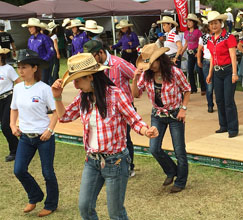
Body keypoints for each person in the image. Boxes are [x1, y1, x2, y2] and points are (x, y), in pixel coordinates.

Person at [52, 53, 158, 219]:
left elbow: (134, 119)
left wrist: (146, 131)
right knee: (85, 207)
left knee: (116, 213)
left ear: (91, 77)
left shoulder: (115, 94)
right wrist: (57, 97)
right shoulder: (83, 98)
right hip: (92, 161)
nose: (75, 84)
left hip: (115, 161)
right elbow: (64, 117)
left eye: (78, 79)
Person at [132, 43, 191, 193]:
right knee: (154, 148)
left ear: (160, 59)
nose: (151, 66)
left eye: (153, 63)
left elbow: (187, 89)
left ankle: (181, 181)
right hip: (157, 115)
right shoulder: (146, 75)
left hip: (175, 114)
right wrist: (135, 78)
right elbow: (136, 94)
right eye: (148, 64)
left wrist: (183, 109)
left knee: (179, 150)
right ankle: (171, 171)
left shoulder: (174, 72)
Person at [10, 49, 58, 217]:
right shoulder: (17, 88)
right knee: (19, 170)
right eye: (19, 67)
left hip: (44, 137)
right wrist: (12, 125)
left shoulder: (44, 89)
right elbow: (13, 109)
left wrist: (49, 130)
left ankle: (51, 204)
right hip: (25, 137)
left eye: (24, 67)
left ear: (35, 68)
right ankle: (35, 195)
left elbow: (56, 111)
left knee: (47, 173)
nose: (20, 71)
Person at [83, 40, 138, 176]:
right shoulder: (93, 67)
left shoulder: (118, 64)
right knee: (109, 136)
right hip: (103, 106)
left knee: (124, 137)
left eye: (92, 57)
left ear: (100, 52)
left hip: (123, 106)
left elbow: (136, 74)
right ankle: (107, 165)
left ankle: (128, 166)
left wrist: (134, 90)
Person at [206, 11, 239, 138]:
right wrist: (209, 74)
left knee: (228, 100)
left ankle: (233, 128)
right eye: (211, 24)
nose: (213, 26)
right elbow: (212, 59)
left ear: (221, 23)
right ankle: (223, 125)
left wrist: (234, 73)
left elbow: (233, 56)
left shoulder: (228, 37)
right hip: (217, 71)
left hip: (228, 70)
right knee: (219, 100)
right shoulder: (210, 39)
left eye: (216, 23)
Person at [0, 47, 21, 162]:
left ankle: (15, 150)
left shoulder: (8, 69)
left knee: (5, 126)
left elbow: (19, 82)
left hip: (8, 98)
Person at [22, 18, 55, 86]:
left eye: (31, 27)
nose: (29, 29)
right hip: (32, 66)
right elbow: (29, 51)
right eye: (28, 27)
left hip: (43, 66)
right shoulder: (30, 39)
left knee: (43, 84)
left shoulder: (45, 38)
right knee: (34, 84)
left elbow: (51, 52)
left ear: (36, 27)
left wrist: (42, 61)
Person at [181, 14, 205, 94]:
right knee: (190, 71)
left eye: (190, 21)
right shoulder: (186, 32)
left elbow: (201, 43)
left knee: (199, 70)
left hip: (197, 52)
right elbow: (186, 44)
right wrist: (181, 52)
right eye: (187, 21)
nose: (188, 23)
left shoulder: (198, 32)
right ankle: (193, 88)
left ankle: (203, 88)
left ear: (194, 23)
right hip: (190, 53)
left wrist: (198, 52)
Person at [197, 18, 214, 113]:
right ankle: (210, 104)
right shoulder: (203, 38)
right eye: (211, 24)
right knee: (209, 86)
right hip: (207, 61)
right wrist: (199, 60)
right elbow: (199, 50)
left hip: (217, 62)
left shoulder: (219, 36)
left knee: (218, 85)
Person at [46, 21, 61, 86]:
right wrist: (58, 53)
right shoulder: (54, 36)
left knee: (51, 67)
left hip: (49, 52)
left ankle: (52, 79)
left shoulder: (48, 36)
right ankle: (55, 79)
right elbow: (55, 45)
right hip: (54, 52)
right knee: (56, 65)